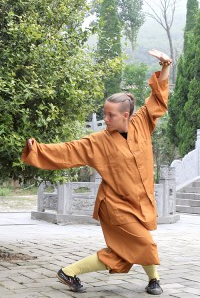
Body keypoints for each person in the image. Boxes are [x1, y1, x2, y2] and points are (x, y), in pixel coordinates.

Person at [21, 49, 172, 295]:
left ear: (126, 115)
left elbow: (157, 99)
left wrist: (165, 67)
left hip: (139, 201)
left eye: (110, 114)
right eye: (105, 113)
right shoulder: (98, 141)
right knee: (143, 242)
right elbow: (68, 151)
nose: (106, 119)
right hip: (114, 205)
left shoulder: (142, 122)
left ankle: (70, 272)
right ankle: (153, 279)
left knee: (127, 251)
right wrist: (36, 149)